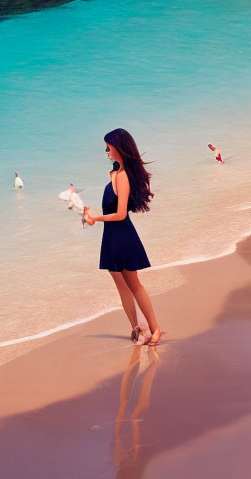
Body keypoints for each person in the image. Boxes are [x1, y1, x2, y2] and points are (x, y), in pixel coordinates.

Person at [84, 129, 162, 346]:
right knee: (122, 286)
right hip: (111, 238)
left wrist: (95, 219)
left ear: (119, 147)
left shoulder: (122, 176)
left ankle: (155, 329)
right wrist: (92, 216)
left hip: (122, 236)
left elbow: (120, 214)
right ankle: (136, 329)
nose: (106, 150)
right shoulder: (115, 174)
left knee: (134, 285)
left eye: (108, 146)